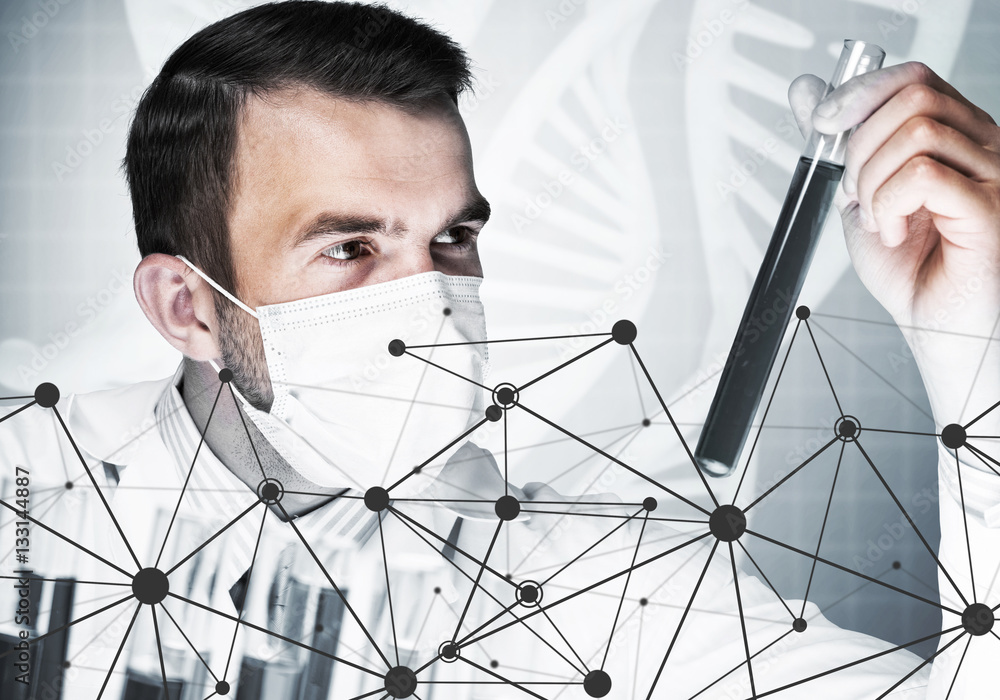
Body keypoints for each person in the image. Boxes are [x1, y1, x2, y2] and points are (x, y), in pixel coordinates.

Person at [0, 1, 998, 698]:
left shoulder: (591, 585)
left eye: (451, 239)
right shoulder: (27, 491)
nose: (426, 301)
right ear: (187, 306)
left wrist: (975, 338)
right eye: (350, 246)